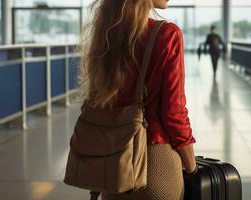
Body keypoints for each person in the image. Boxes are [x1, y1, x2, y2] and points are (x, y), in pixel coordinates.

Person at [76, 0, 196, 199]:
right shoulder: (167, 34)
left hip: (114, 169)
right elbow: (173, 113)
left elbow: (100, 103)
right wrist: (191, 167)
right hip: (155, 165)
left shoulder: (106, 34)